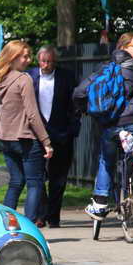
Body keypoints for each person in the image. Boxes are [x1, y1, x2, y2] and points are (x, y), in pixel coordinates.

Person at [74, 32, 133, 241]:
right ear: (123, 48)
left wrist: (87, 109)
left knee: (106, 160)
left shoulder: (103, 69)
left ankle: (100, 203)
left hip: (112, 126)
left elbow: (79, 93)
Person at [0, 40, 53, 224]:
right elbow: (32, 114)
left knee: (16, 181)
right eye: (24, 56)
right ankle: (28, 225)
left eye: (28, 56)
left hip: (5, 139)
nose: (28, 60)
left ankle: (5, 223)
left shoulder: (1, 79)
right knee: (35, 183)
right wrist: (46, 142)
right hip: (25, 139)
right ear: (13, 57)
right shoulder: (24, 79)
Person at [28, 45, 80, 228]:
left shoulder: (67, 77)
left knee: (59, 178)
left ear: (55, 61)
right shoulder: (29, 77)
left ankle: (54, 216)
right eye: (43, 61)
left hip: (62, 133)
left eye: (50, 61)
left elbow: (75, 103)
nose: (46, 64)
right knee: (37, 177)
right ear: (38, 60)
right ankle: (41, 214)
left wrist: (73, 127)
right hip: (36, 134)